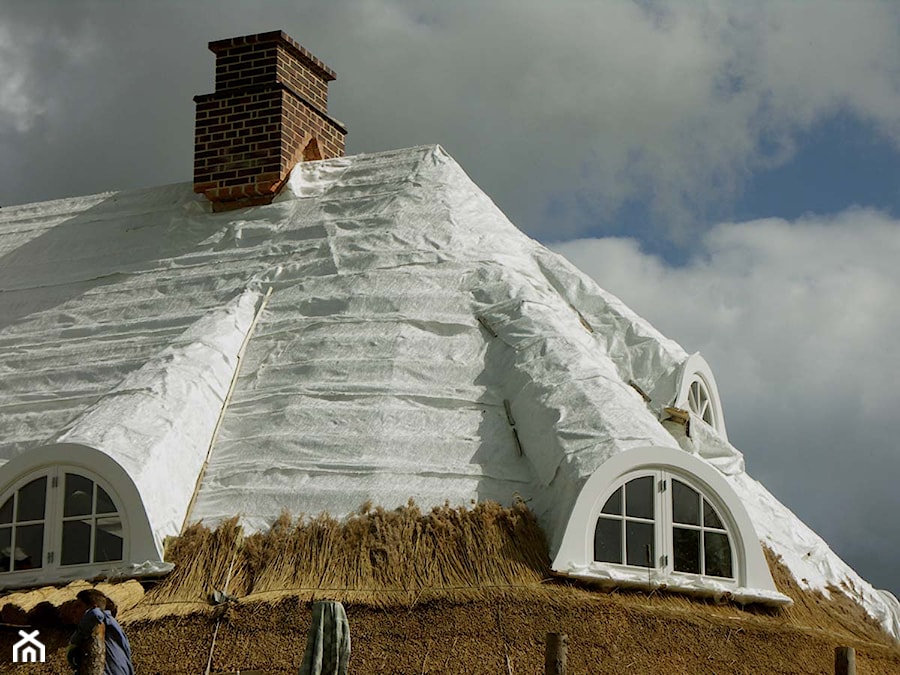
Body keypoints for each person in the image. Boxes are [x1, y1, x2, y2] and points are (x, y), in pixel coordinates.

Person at [67, 589, 135, 675]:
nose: (73, 611)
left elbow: (95, 614)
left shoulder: (105, 619)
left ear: (93, 606)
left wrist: (74, 642)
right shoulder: (109, 627)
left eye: (78, 606)